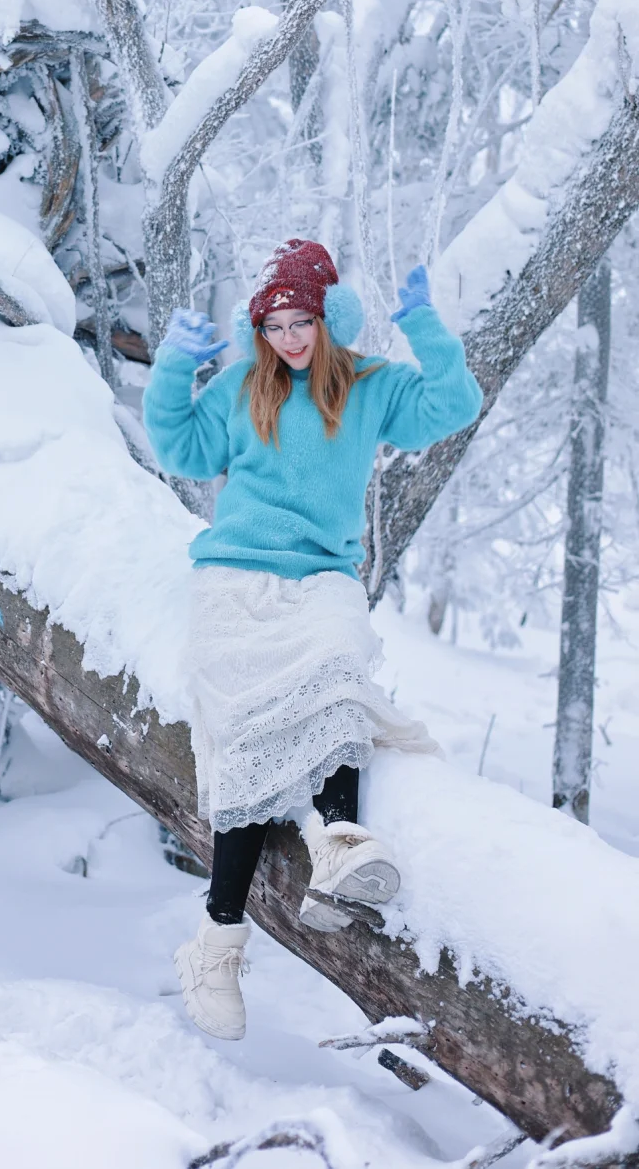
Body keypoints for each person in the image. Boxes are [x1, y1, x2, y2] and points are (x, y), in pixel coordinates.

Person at [142, 238, 483, 1041]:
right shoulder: (244, 385)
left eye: (303, 322)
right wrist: (169, 373)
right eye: (275, 324)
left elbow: (454, 405)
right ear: (259, 330)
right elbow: (181, 449)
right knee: (248, 725)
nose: (290, 338)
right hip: (235, 575)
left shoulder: (368, 386)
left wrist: (427, 327)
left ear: (330, 320)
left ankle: (336, 844)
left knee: (336, 666)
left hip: (324, 574)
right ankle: (218, 944)